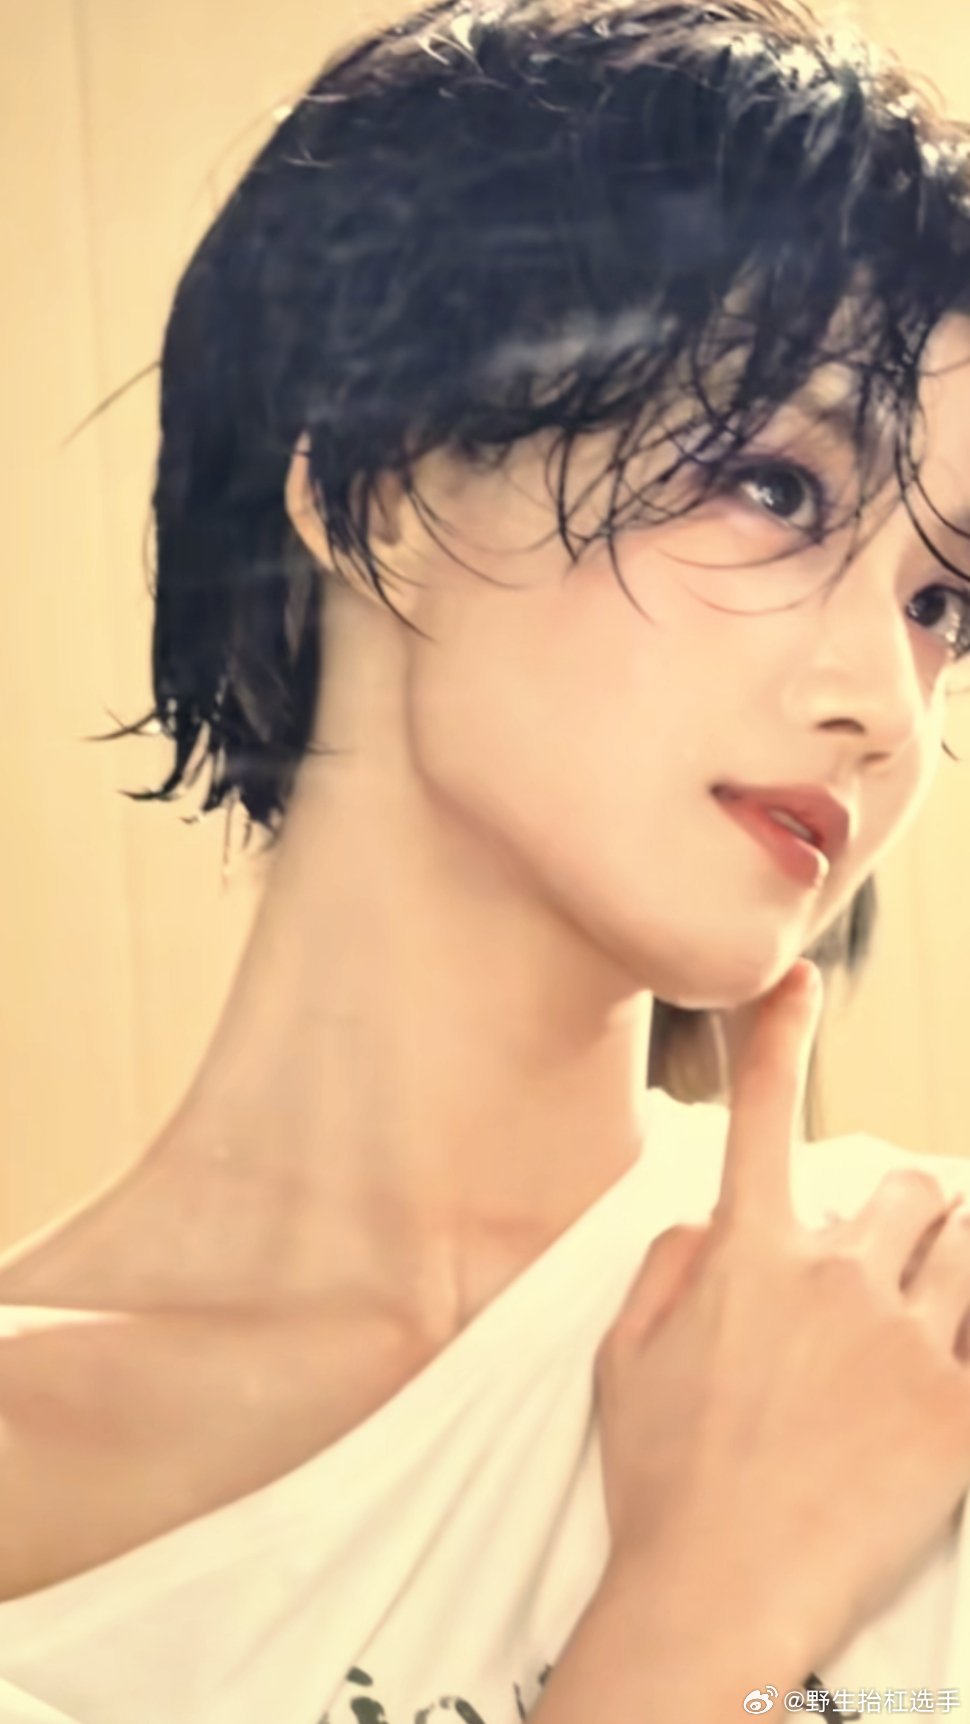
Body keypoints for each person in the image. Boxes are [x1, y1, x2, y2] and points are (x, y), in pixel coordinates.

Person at [4, 0, 970, 1719]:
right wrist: (698, 1618)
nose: (882, 704)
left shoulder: (920, 1306)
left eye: (939, 602)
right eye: (772, 487)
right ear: (374, 495)